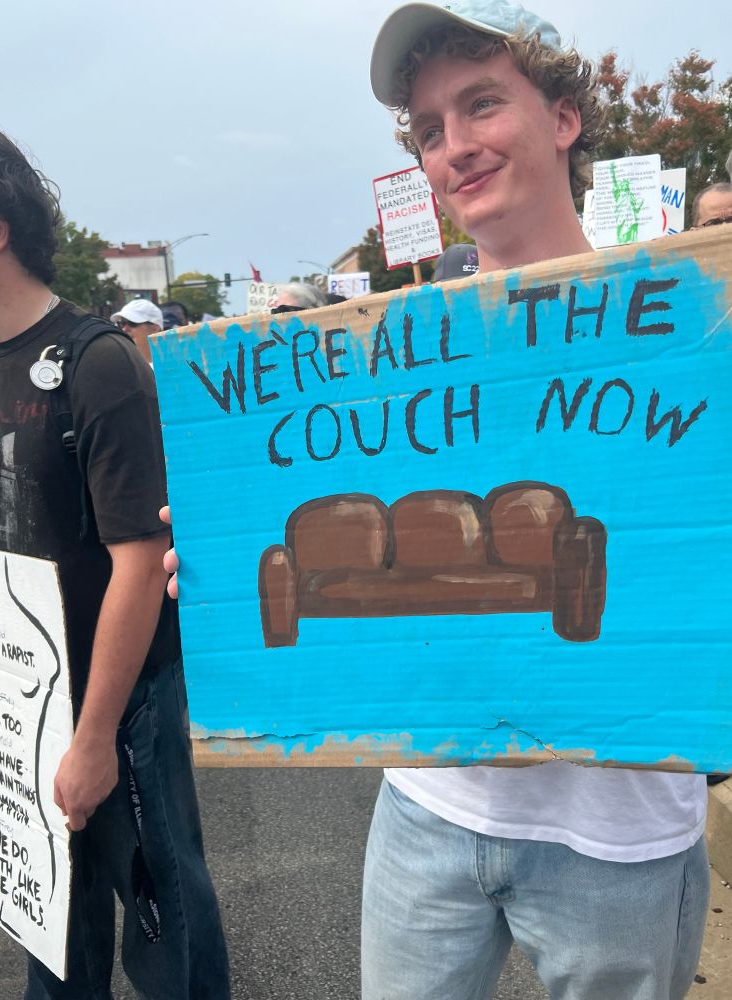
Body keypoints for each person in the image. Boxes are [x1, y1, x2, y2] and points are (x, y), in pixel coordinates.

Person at [360, 4, 710, 998]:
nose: (454, 146)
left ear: (562, 117)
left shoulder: (694, 327)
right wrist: (216, 554)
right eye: (429, 129)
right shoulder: (387, 352)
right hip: (426, 803)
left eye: (480, 105)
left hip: (618, 834)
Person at [0, 125, 230, 1000]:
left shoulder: (98, 366)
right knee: (49, 919)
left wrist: (94, 738)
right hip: (24, 696)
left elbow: (141, 561)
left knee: (167, 922)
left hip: (123, 705)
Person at [111, 297, 164, 364]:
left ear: (155, 329)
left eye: (132, 323)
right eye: (122, 323)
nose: (124, 329)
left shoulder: (173, 368)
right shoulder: (118, 366)